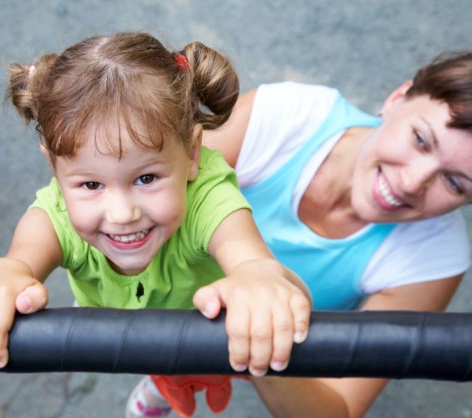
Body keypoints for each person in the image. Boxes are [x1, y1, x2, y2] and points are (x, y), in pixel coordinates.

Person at [0, 32, 312, 418]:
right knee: (163, 368)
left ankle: (165, 385)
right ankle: (159, 386)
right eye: (91, 184)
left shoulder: (208, 196)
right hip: (134, 325)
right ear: (55, 170)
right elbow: (18, 262)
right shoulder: (56, 213)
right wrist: (0, 275)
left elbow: (249, 259)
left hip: (209, 332)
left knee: (254, 347)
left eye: (146, 178)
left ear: (193, 154)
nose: (121, 213)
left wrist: (257, 276)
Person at [199, 51, 472, 417]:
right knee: (159, 363)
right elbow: (150, 192)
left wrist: (260, 330)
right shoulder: (284, 117)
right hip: (163, 286)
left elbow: (337, 408)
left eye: (454, 182)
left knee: (188, 368)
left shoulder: (435, 255)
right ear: (398, 98)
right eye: (421, 140)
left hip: (263, 348)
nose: (410, 182)